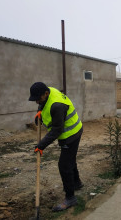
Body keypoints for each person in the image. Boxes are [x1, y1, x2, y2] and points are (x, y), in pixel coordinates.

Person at [29, 82, 83, 212]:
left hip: (70, 135)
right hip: (74, 131)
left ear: (45, 93)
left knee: (64, 166)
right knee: (70, 160)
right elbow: (43, 104)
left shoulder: (57, 106)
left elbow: (57, 130)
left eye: (38, 99)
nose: (37, 101)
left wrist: (41, 145)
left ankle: (70, 198)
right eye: (35, 99)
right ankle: (77, 183)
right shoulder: (50, 91)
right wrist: (40, 112)